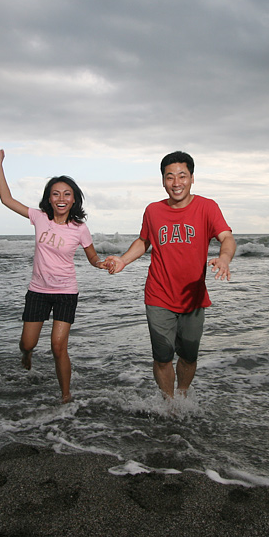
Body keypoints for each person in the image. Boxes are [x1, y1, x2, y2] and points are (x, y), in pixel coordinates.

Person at [105, 151, 236, 399]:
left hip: (193, 298)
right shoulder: (153, 210)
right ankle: (169, 403)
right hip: (159, 294)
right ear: (163, 181)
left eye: (182, 176)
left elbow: (227, 237)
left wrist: (225, 258)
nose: (176, 183)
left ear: (192, 178)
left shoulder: (207, 207)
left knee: (189, 355)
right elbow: (144, 241)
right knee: (162, 356)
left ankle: (182, 395)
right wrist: (123, 260)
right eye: (170, 177)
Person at [0, 147, 107, 403]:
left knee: (58, 347)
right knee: (27, 343)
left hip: (66, 292)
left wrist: (101, 264)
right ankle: (26, 355)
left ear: (74, 199)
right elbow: (6, 199)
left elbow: (92, 257)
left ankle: (66, 396)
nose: (61, 198)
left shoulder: (80, 228)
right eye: (56, 194)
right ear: (49, 199)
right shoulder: (39, 217)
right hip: (38, 291)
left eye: (67, 194)